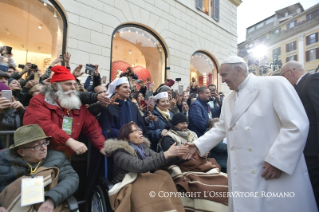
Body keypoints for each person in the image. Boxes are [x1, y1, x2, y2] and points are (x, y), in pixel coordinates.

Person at [185, 56, 317, 212]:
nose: (222, 80)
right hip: (242, 169)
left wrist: (279, 160)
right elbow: (221, 127)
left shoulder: (275, 84)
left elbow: (296, 124)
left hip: (270, 167)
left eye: (224, 75)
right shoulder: (228, 99)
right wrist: (198, 145)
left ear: (239, 70)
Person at [23, 65, 106, 158]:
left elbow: (92, 126)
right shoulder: (39, 100)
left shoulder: (76, 104)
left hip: (64, 157)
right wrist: (69, 141)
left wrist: (102, 146)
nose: (73, 88)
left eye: (74, 84)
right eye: (68, 84)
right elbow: (42, 125)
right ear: (55, 86)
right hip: (41, 156)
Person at [103, 121, 186, 212]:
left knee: (164, 176)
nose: (140, 132)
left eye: (140, 129)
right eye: (135, 130)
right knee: (143, 190)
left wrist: (178, 155)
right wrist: (165, 154)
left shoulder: (143, 148)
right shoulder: (120, 152)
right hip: (126, 183)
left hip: (141, 178)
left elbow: (161, 161)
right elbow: (139, 166)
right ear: (126, 138)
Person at [0, 124, 79, 211]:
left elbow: (72, 178)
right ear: (22, 152)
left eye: (44, 143)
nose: (44, 148)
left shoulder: (57, 158)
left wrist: (51, 200)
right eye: (37, 146)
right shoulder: (3, 162)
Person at [160, 113, 229, 211]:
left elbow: (203, 149)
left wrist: (204, 153)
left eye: (186, 123)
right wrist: (191, 155)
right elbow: (172, 157)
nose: (185, 125)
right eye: (181, 123)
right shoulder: (168, 137)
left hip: (201, 164)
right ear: (175, 124)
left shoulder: (192, 134)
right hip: (184, 167)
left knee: (225, 179)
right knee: (202, 187)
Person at [281, 61, 319, 209]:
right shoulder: (298, 87)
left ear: (291, 71)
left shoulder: (312, 80)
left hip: (314, 149)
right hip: (306, 148)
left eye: (283, 75)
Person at [0, 83, 25, 148]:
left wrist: (22, 110)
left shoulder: (15, 109)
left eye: (5, 95)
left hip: (16, 147)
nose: (2, 98)